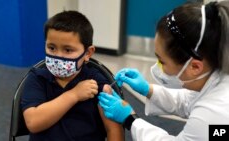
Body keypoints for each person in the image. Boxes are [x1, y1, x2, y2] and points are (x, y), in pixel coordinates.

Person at [98, 1, 229, 140]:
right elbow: (187, 102)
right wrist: (147, 90)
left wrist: (130, 119)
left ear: (195, 67)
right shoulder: (216, 77)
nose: (158, 67)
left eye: (162, 61)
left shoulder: (214, 115)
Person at [21, 11, 124, 141]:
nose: (58, 56)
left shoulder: (98, 83)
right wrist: (74, 95)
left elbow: (113, 129)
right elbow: (34, 123)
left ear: (88, 53)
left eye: (68, 50)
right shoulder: (37, 78)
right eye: (51, 48)